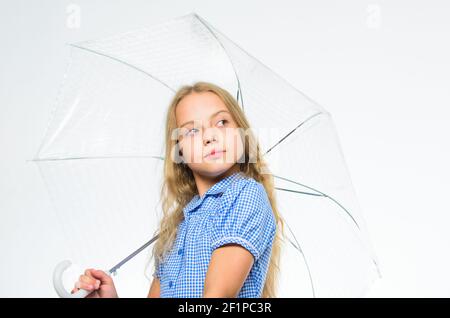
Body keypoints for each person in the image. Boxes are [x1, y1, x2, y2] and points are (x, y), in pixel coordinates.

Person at [71, 82, 283, 298]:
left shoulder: (245, 194)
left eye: (221, 122)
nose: (209, 137)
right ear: (178, 150)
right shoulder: (178, 225)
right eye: (191, 131)